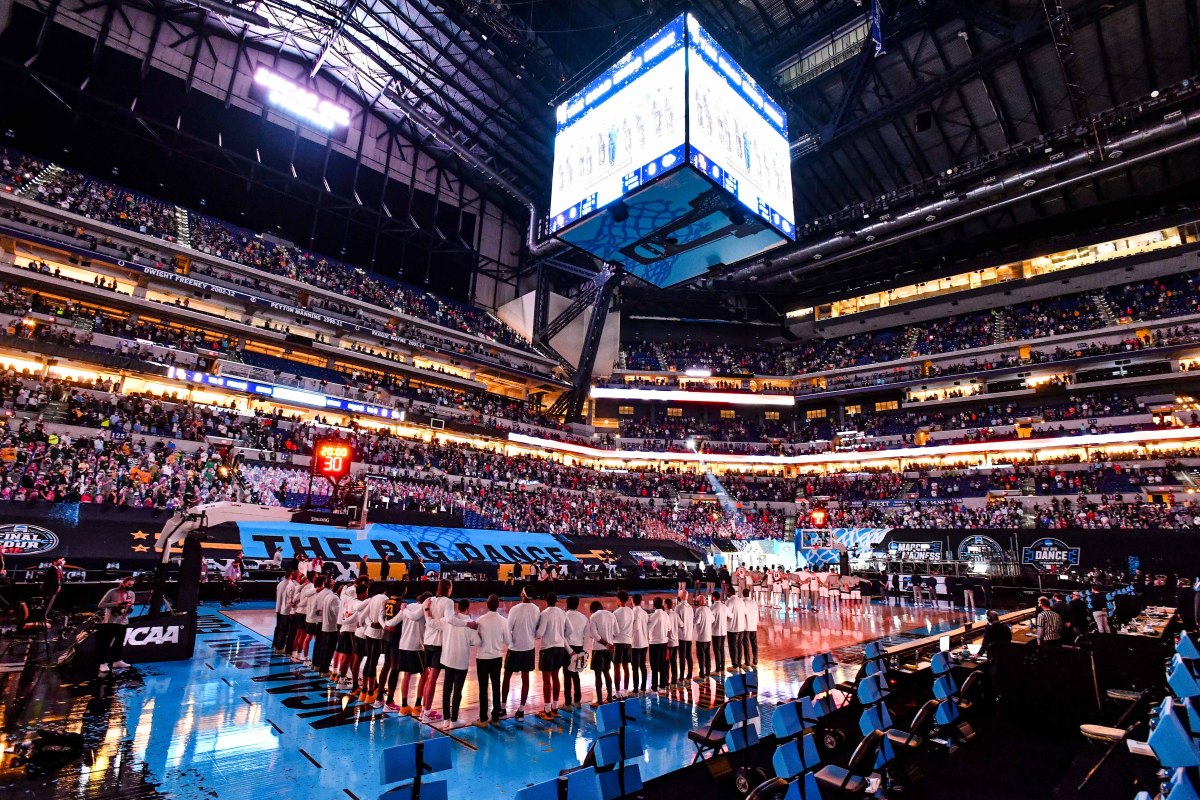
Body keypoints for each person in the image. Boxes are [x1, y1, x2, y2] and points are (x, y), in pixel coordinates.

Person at [426, 598, 479, 730]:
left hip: (447, 659)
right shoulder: (470, 624)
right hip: (461, 661)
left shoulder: (447, 621)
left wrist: (427, 611)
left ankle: (446, 719)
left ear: (457, 608)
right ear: (468, 609)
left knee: (446, 689)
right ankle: (454, 719)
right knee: (457, 691)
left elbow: (432, 623)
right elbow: (477, 642)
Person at [385, 590, 428, 714]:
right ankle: (418, 706)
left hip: (402, 646)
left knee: (406, 675)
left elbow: (391, 622)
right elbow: (416, 618)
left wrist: (384, 623)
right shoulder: (422, 609)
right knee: (425, 674)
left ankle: (404, 706)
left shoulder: (406, 607)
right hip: (416, 647)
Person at [418, 580, 454, 723]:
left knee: (428, 677)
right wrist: (430, 620)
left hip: (428, 642)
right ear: (448, 589)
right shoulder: (448, 603)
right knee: (432, 678)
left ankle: (425, 710)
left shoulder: (429, 600)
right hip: (438, 644)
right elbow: (447, 622)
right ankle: (426, 713)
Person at [473, 594, 510, 727]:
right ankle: (495, 717)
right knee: (496, 687)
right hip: (496, 658)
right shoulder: (503, 621)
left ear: (487, 605)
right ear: (498, 605)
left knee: (483, 689)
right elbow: (508, 641)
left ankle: (483, 718)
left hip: (482, 658)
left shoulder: (480, 620)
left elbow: (475, 640)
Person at [502, 589, 539, 719]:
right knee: (526, 678)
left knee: (507, 676)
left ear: (523, 594)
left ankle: (503, 708)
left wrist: (509, 643)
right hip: (529, 648)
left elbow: (508, 629)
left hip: (515, 648)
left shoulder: (515, 609)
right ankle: (521, 710)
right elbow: (537, 629)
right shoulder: (536, 609)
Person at [535, 593, 568, 719]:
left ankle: (547, 710)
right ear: (557, 601)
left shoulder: (544, 614)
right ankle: (555, 707)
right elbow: (566, 630)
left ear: (546, 601)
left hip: (548, 648)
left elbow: (540, 633)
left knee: (546, 679)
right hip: (560, 647)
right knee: (555, 677)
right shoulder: (562, 613)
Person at [96, 576, 136, 674]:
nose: (130, 586)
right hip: (111, 621)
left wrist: (129, 610)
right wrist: (116, 604)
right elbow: (101, 605)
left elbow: (132, 606)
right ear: (123, 583)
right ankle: (102, 663)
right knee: (106, 643)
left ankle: (117, 661)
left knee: (119, 642)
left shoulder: (131, 594)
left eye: (132, 585)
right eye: (129, 584)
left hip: (123, 621)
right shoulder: (112, 592)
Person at [584, 600, 616, 706]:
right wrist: (610, 641)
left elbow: (595, 635)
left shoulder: (594, 616)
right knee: (607, 672)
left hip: (598, 649)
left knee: (598, 675)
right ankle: (610, 697)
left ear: (592, 610)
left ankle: (600, 701)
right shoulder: (611, 615)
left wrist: (606, 643)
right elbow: (617, 631)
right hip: (610, 649)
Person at [563, 596, 588, 710]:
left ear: (567, 604)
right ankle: (577, 701)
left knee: (567, 676)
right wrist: (585, 652)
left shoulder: (564, 616)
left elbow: (562, 635)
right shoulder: (583, 617)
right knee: (576, 674)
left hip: (568, 649)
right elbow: (587, 637)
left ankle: (567, 703)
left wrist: (569, 651)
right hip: (580, 648)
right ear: (577, 605)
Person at [314, 579, 340, 676]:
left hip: (323, 623)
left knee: (321, 646)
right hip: (330, 626)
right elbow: (337, 614)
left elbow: (318, 609)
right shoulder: (333, 598)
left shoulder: (323, 594)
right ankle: (324, 669)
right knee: (328, 649)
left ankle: (317, 665)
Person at [611, 590, 634, 697]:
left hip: (618, 642)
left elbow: (614, 630)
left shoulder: (615, 613)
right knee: (626, 667)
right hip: (628, 642)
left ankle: (617, 692)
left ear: (619, 600)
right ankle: (625, 691)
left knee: (617, 668)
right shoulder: (631, 611)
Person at [647, 597, 671, 692]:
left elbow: (648, 628)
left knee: (654, 666)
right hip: (664, 642)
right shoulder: (665, 615)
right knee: (662, 664)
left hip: (655, 643)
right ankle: (662, 686)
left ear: (654, 604)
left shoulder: (654, 616)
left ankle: (654, 687)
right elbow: (669, 628)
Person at [272, 570, 297, 653]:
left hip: (279, 608)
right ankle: (279, 647)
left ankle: (275, 643)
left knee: (278, 627)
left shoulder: (280, 583)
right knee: (284, 629)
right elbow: (288, 598)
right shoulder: (289, 584)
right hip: (284, 609)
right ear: (291, 575)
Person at [630, 593, 649, 695]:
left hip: (636, 643)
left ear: (632, 601)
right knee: (643, 666)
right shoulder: (644, 613)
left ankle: (636, 689)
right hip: (644, 642)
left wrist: (629, 636)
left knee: (635, 667)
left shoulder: (633, 612)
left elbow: (635, 627)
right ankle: (644, 688)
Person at [675, 590, 694, 683]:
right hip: (689, 635)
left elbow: (678, 622)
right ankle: (690, 674)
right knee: (689, 656)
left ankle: (681, 676)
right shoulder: (690, 607)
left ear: (681, 596)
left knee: (682, 656)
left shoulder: (678, 607)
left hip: (681, 635)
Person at [693, 593, 714, 679]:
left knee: (701, 656)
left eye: (697, 601)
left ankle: (702, 672)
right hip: (708, 636)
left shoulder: (699, 610)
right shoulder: (708, 609)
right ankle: (708, 672)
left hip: (701, 637)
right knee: (707, 655)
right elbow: (713, 619)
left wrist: (692, 618)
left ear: (701, 601)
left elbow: (696, 621)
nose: (696, 602)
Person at [710, 591, 729, 674]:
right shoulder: (724, 606)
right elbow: (731, 616)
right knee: (721, 649)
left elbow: (710, 619)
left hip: (715, 631)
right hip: (723, 631)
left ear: (713, 597)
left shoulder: (712, 607)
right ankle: (723, 666)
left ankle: (718, 667)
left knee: (716, 649)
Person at [741, 589, 760, 668]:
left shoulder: (742, 602)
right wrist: (756, 622)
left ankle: (747, 662)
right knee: (754, 644)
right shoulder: (754, 602)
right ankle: (755, 660)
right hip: (753, 625)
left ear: (742, 594)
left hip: (745, 626)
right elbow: (757, 613)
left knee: (746, 644)